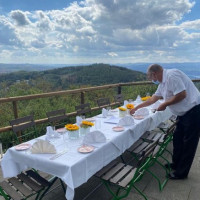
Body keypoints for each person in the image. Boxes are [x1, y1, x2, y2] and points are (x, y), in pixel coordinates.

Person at [130, 64, 200, 179]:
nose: (151, 80)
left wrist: (165, 104)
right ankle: (176, 164)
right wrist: (136, 108)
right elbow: (153, 99)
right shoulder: (162, 83)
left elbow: (182, 95)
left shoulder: (172, 76)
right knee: (177, 139)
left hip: (194, 111)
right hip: (183, 114)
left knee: (188, 144)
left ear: (154, 73)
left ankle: (181, 173)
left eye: (150, 77)